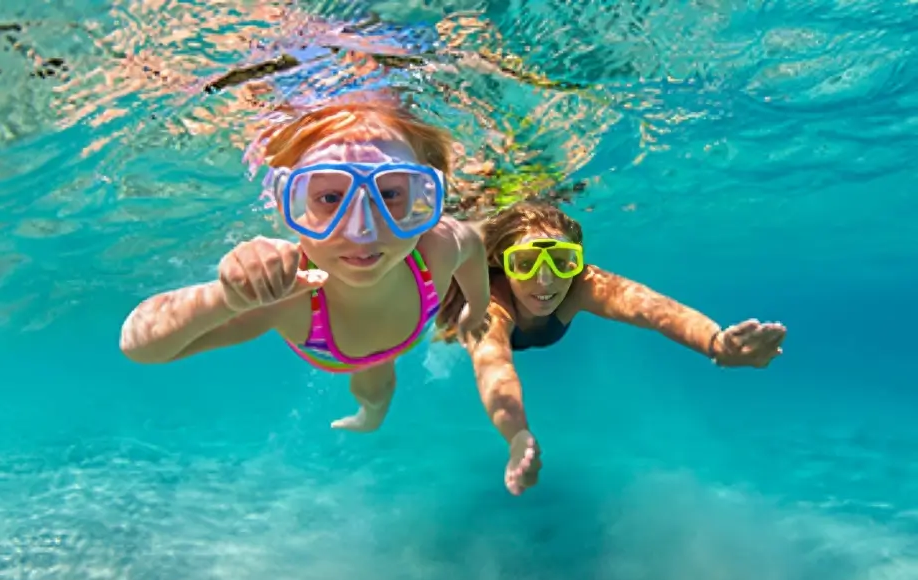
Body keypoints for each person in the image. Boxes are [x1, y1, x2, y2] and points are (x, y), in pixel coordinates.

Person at [120, 100, 490, 433]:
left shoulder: (438, 246)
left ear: (422, 195)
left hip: (392, 344)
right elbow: (141, 347)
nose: (362, 230)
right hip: (334, 349)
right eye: (330, 198)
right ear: (290, 205)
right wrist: (228, 298)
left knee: (379, 384)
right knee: (372, 381)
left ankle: (371, 416)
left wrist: (477, 307)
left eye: (390, 194)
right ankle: (370, 415)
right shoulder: (288, 293)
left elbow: (473, 249)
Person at [437, 202, 787, 496]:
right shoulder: (488, 307)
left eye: (562, 261)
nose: (545, 280)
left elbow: (654, 311)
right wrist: (516, 435)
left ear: (577, 263)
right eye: (526, 263)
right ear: (505, 263)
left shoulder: (582, 286)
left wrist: (717, 343)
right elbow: (495, 370)